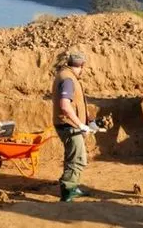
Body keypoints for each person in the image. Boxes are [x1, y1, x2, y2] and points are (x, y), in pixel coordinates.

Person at [52, 52, 93, 202]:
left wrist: (88, 119)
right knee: (77, 159)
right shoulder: (68, 79)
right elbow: (65, 105)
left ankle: (72, 187)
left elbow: (75, 102)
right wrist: (81, 125)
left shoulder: (66, 75)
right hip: (68, 126)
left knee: (73, 156)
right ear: (82, 66)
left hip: (69, 124)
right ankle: (68, 192)